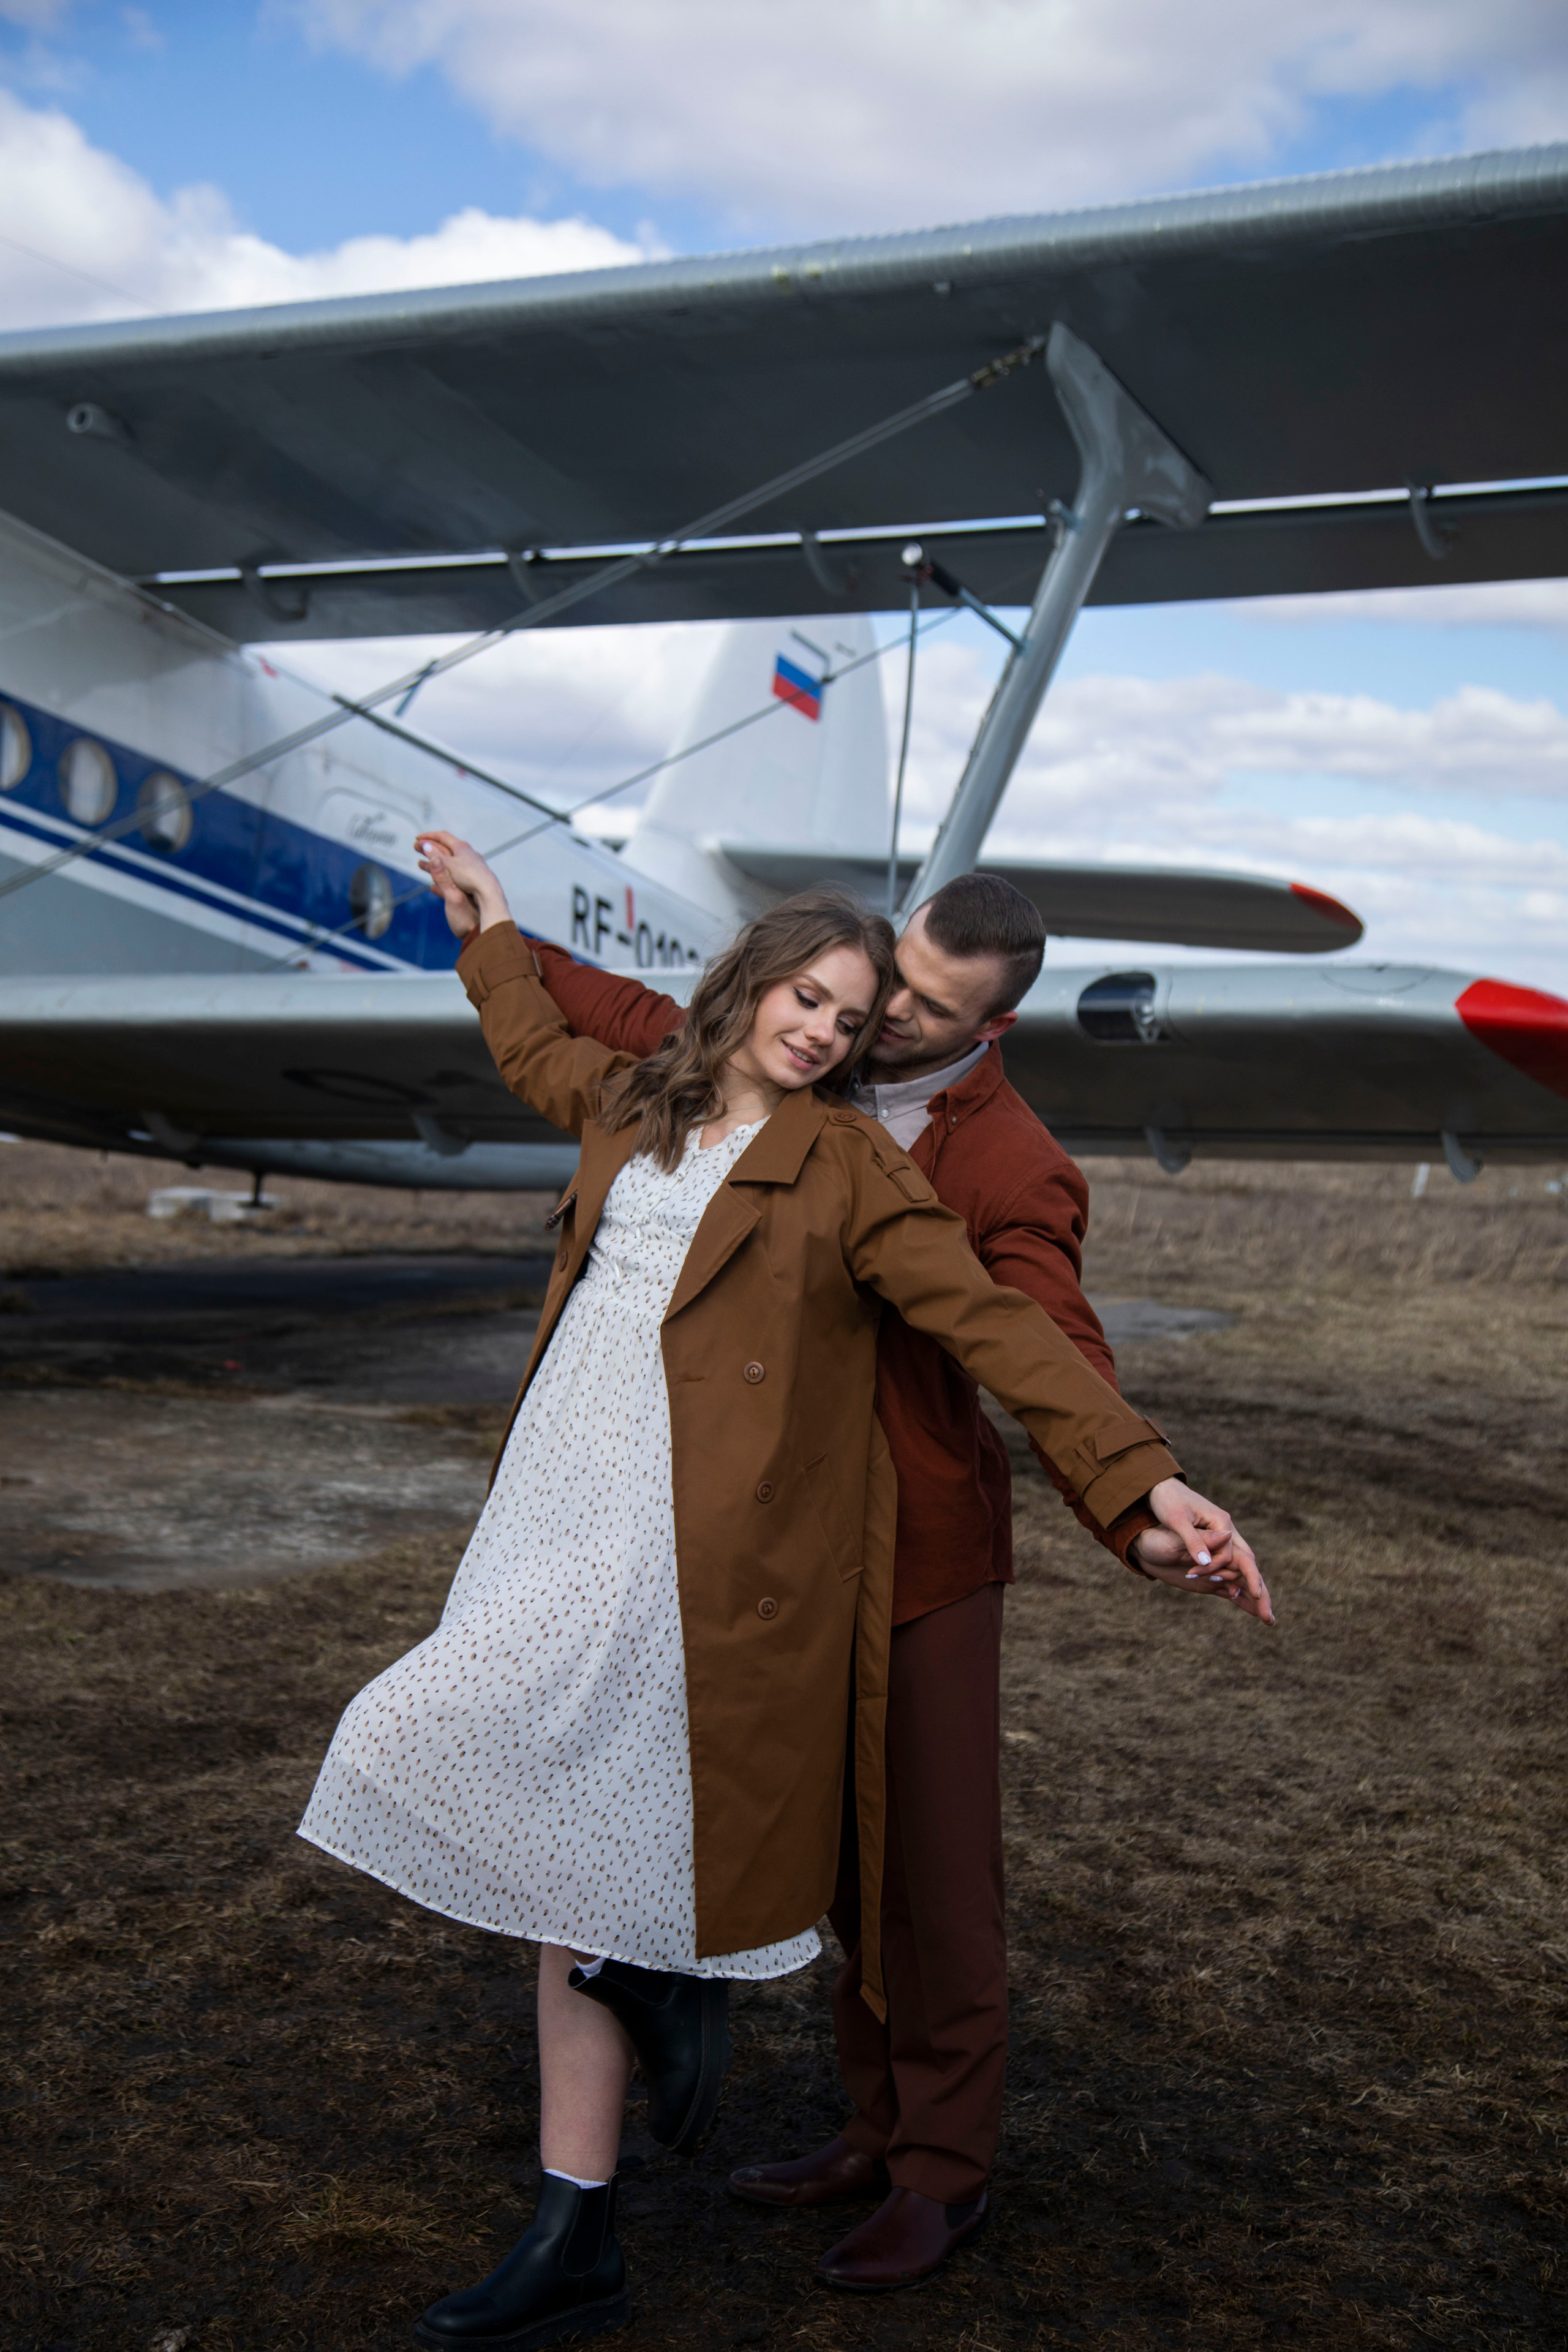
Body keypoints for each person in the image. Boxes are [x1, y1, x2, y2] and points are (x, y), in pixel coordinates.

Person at [299, 836, 1262, 2352]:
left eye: (895, 1009)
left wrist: (1136, 1488)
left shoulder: (934, 1161)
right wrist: (492, 935)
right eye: (830, 996)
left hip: (895, 1538)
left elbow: (1021, 1333)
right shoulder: (669, 1090)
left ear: (980, 1026)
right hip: (631, 1508)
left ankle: (924, 2166)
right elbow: (572, 1032)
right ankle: (718, 2029)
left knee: (919, 1868)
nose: (858, 1027)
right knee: (637, 1787)